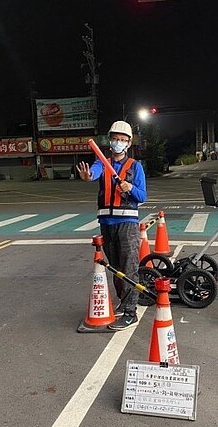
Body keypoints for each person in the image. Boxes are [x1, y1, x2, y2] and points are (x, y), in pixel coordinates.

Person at [76, 120, 147, 330]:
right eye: (115, 138)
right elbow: (94, 173)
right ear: (110, 140)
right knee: (116, 268)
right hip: (107, 223)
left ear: (128, 143)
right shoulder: (102, 162)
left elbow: (142, 196)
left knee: (129, 267)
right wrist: (88, 176)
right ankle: (124, 303)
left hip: (127, 223)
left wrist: (129, 187)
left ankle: (130, 312)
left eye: (123, 140)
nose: (118, 142)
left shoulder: (135, 166)